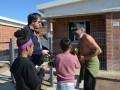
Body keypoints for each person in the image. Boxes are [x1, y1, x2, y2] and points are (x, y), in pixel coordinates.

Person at [71, 22, 102, 90]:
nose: (75, 35)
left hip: (92, 65)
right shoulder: (81, 38)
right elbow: (78, 48)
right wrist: (71, 53)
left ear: (81, 30)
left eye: (76, 33)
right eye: (73, 33)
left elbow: (98, 50)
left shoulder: (87, 37)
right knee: (86, 84)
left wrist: (85, 57)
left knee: (89, 86)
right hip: (86, 63)